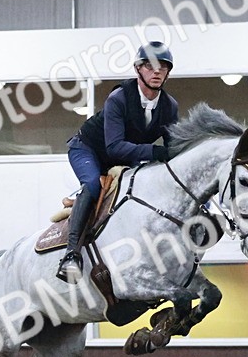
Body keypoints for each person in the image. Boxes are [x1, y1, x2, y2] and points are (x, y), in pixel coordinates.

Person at [56, 42, 180, 283]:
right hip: (89, 150)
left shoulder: (170, 106)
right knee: (93, 185)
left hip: (125, 157)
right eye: (150, 66)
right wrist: (155, 152)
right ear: (138, 69)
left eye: (163, 67)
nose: (157, 72)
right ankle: (71, 255)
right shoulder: (119, 98)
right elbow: (114, 146)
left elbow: (173, 148)